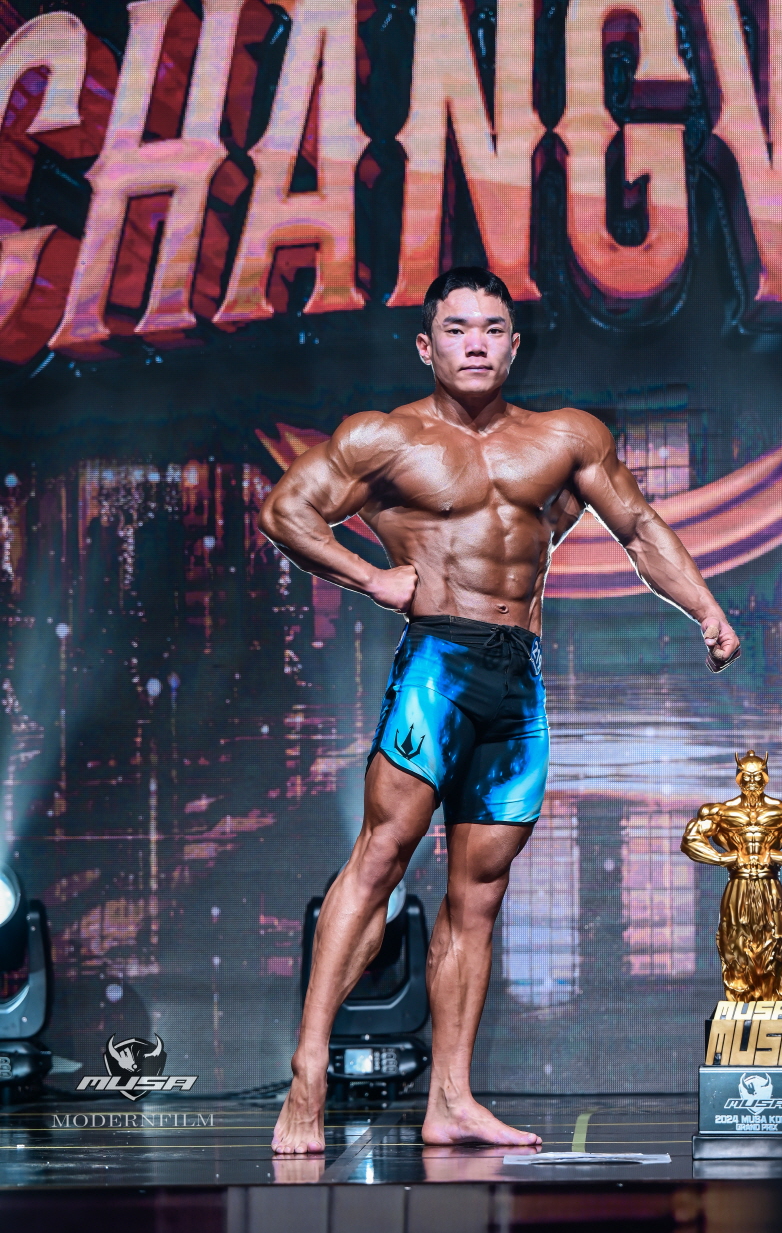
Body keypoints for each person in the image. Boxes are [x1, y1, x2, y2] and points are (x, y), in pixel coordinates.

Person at [260, 266, 741, 1154]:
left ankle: (450, 1099)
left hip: (517, 674)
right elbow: (286, 510)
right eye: (457, 329)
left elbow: (639, 529)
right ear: (426, 345)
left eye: (491, 329)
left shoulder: (565, 437)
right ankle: (308, 1068)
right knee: (382, 857)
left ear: (514, 346)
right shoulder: (385, 436)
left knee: (478, 894)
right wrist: (371, 577)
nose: (475, 344)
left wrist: (704, 607)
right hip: (435, 666)